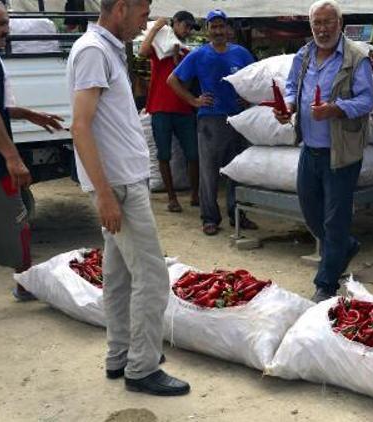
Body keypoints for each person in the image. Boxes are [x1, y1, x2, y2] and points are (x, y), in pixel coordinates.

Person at [67, 0, 189, 395]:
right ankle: (143, 367)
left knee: (119, 277)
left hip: (121, 181)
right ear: (121, 8)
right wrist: (103, 194)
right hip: (117, 185)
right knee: (153, 277)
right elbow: (81, 127)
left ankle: (121, 355)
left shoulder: (106, 49)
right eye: (143, 10)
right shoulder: (92, 51)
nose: (146, 20)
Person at [0, 0, 64, 324]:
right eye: (2, 24)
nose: (8, 31)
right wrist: (13, 159)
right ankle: (25, 284)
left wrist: (28, 114)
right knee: (17, 223)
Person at [274, 0, 373, 303]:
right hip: (310, 148)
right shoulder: (304, 55)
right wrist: (288, 106)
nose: (322, 29)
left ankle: (326, 283)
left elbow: (366, 101)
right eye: (317, 23)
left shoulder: (357, 58)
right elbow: (292, 87)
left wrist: (335, 109)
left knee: (335, 219)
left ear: (340, 24)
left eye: (328, 22)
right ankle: (345, 246)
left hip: (340, 152)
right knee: (311, 212)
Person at [167, 9, 257, 236]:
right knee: (209, 172)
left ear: (228, 29)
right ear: (207, 30)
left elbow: (255, 78)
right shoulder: (198, 55)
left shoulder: (241, 54)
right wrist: (194, 101)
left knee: (238, 170)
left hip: (237, 119)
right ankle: (209, 218)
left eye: (221, 26)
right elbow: (173, 80)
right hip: (210, 120)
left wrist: (247, 98)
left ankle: (238, 214)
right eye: (213, 27)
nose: (218, 31)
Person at [139, 11, 199, 213]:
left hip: (183, 109)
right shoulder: (160, 46)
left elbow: (188, 83)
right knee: (163, 155)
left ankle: (195, 194)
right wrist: (155, 27)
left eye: (191, 28)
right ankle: (172, 198)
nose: (188, 31)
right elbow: (141, 51)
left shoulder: (187, 53)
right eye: (186, 26)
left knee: (193, 153)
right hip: (160, 108)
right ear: (176, 23)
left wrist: (177, 63)